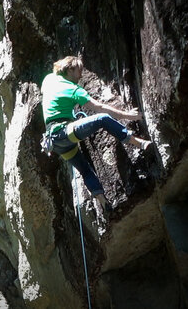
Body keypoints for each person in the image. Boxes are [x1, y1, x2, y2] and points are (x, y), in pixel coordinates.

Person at [41, 56, 151, 213]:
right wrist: (129, 115)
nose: (80, 76)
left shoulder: (49, 79)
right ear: (70, 69)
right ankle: (139, 143)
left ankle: (103, 201)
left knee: (85, 170)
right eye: (79, 71)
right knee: (103, 119)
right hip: (64, 132)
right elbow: (99, 107)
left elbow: (45, 92)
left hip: (54, 142)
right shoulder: (73, 90)